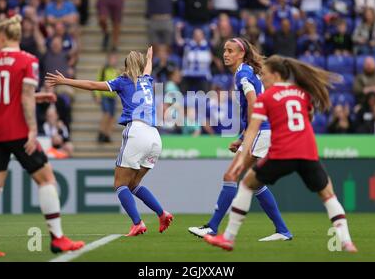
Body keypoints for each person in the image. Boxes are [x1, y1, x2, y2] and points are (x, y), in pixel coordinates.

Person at [204, 55, 357, 253]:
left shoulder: (266, 97)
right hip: (307, 152)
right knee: (328, 194)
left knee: (246, 184)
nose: (263, 78)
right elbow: (308, 117)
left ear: (276, 75)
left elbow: (253, 129)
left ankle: (228, 238)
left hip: (282, 152)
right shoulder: (301, 93)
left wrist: (243, 154)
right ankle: (346, 242)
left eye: (265, 75)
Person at [0, 15, 84, 256]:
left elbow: (2, 98)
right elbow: (22, 96)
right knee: (46, 179)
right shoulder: (28, 60)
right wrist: (33, 129)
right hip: (18, 130)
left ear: (2, 36)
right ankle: (57, 238)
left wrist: (35, 96)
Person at [46, 46, 174, 236]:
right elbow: (147, 68)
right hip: (155, 137)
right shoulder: (147, 80)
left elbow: (92, 85)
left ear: (125, 66)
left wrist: (65, 81)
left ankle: (137, 223)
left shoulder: (122, 81)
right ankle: (162, 213)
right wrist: (149, 57)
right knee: (133, 184)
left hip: (137, 132)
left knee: (120, 184)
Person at [188, 38, 292, 242]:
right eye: (224, 50)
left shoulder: (243, 73)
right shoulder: (245, 71)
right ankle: (282, 230)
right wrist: (243, 137)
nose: (225, 54)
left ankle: (212, 227)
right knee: (254, 182)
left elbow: (254, 103)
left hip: (261, 131)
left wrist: (248, 135)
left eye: (230, 51)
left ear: (241, 54)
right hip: (263, 131)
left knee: (231, 176)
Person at [95, 52, 120, 143]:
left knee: (112, 117)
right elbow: (98, 81)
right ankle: (101, 132)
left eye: (115, 59)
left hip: (113, 96)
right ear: (108, 59)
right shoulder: (104, 70)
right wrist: (97, 95)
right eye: (112, 59)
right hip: (105, 95)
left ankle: (107, 134)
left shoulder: (117, 71)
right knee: (106, 114)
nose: (114, 61)